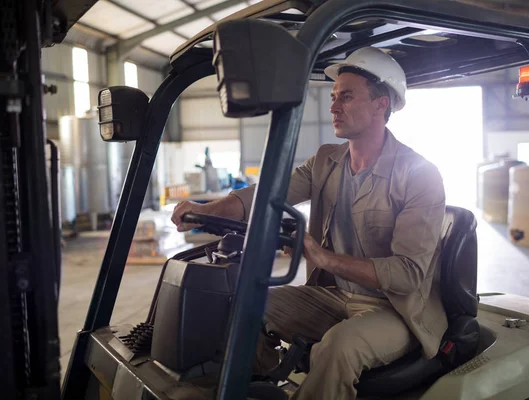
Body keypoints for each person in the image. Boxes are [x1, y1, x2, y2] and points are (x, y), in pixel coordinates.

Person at [171, 47, 447, 400]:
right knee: (244, 306)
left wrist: (323, 256)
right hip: (333, 296)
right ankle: (264, 386)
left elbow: (408, 275)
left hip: (396, 311)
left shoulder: (419, 175)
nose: (333, 106)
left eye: (346, 96)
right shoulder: (325, 161)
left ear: (382, 104)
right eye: (333, 97)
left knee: (339, 348)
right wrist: (210, 208)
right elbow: (268, 192)